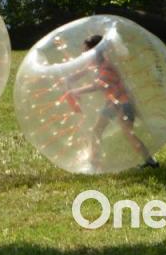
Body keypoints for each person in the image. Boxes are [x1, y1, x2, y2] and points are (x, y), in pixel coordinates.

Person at [61, 34, 159, 169]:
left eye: (86, 51)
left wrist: (75, 91)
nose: (83, 54)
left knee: (128, 133)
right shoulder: (95, 63)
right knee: (97, 131)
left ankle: (150, 162)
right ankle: (94, 163)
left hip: (123, 103)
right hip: (112, 103)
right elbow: (83, 71)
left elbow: (98, 85)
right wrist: (69, 78)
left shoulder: (106, 66)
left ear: (95, 50)